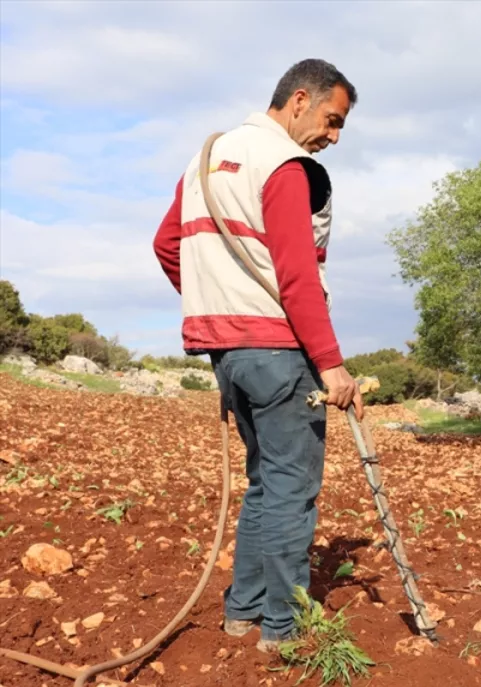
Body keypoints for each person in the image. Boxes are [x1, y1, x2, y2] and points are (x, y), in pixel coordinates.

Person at [152, 58, 363, 653]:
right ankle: (285, 629)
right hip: (278, 352)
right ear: (299, 100)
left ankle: (241, 612)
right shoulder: (285, 165)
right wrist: (331, 363)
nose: (334, 137)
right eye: (332, 119)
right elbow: (298, 275)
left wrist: (220, 302)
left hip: (227, 355)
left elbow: (168, 246)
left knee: (265, 485)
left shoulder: (205, 160)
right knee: (291, 487)